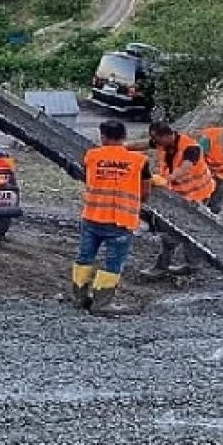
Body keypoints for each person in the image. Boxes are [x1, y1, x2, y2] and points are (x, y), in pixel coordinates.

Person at [72, 120, 152, 317]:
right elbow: (146, 191)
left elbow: (87, 176)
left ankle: (79, 299)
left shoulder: (91, 156)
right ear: (124, 136)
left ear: (103, 137)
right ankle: (102, 304)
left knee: (84, 258)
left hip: (92, 217)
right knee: (113, 263)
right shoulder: (139, 161)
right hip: (120, 220)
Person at [127, 122, 216, 281]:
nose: (156, 142)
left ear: (167, 135)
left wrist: (166, 179)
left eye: (157, 139)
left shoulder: (190, 148)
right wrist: (120, 148)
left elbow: (185, 168)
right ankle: (191, 264)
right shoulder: (163, 142)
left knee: (181, 231)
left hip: (197, 195)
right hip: (178, 194)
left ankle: (166, 267)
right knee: (181, 231)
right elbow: (141, 145)